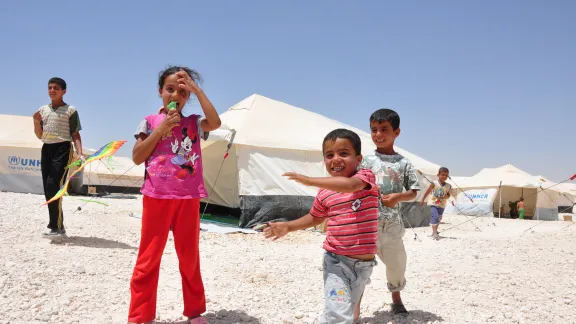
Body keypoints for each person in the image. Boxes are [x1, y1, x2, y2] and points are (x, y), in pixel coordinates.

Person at [128, 66, 221, 324]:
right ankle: (139, 316)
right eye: (170, 89)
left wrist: (197, 89)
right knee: (148, 258)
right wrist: (160, 130)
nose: (175, 96)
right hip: (157, 196)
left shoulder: (193, 123)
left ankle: (194, 311)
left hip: (188, 198)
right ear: (160, 92)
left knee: (189, 258)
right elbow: (137, 157)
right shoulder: (148, 121)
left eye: (182, 92)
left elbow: (215, 122)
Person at [264, 129, 380, 324]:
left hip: (364, 265)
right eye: (329, 155)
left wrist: (308, 180)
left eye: (344, 153)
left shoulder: (364, 177)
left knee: (347, 313)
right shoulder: (324, 192)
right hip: (336, 261)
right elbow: (315, 217)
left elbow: (350, 186)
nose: (335, 159)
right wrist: (288, 227)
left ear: (358, 158)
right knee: (339, 315)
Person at [358, 108, 420, 315]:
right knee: (361, 265)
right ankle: (355, 304)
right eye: (374, 129)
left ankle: (396, 297)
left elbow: (413, 191)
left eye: (384, 129)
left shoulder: (404, 163)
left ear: (397, 132)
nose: (378, 134)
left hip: (392, 225)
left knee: (397, 265)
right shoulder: (365, 161)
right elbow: (354, 185)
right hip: (368, 224)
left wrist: (397, 197)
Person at [33, 77, 84, 239]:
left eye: (56, 88)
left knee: (53, 184)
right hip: (46, 148)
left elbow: (75, 134)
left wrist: (80, 153)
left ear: (64, 91)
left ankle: (56, 226)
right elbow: (39, 135)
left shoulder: (70, 110)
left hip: (63, 148)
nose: (52, 90)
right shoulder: (42, 110)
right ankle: (56, 225)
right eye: (49, 87)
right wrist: (35, 121)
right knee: (47, 187)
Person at [420, 167, 452, 240]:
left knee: (439, 218)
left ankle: (434, 231)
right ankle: (435, 233)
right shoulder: (434, 183)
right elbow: (427, 191)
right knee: (435, 216)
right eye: (442, 174)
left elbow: (448, 195)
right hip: (433, 203)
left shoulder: (448, 186)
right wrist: (422, 199)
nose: (444, 176)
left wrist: (446, 196)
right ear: (438, 175)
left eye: (446, 175)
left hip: (442, 205)